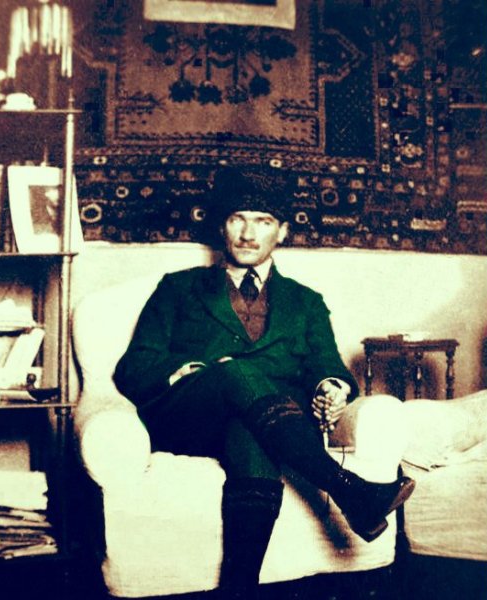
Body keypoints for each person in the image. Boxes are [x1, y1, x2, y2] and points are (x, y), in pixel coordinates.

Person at [113, 167, 415, 600]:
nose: (248, 233)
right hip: (190, 419)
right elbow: (133, 367)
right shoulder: (178, 288)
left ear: (283, 231)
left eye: (263, 221)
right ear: (222, 226)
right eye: (238, 218)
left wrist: (332, 387)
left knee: (250, 435)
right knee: (234, 370)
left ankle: (239, 591)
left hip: (269, 427)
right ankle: (348, 489)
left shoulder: (306, 301)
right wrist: (192, 370)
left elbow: (328, 365)